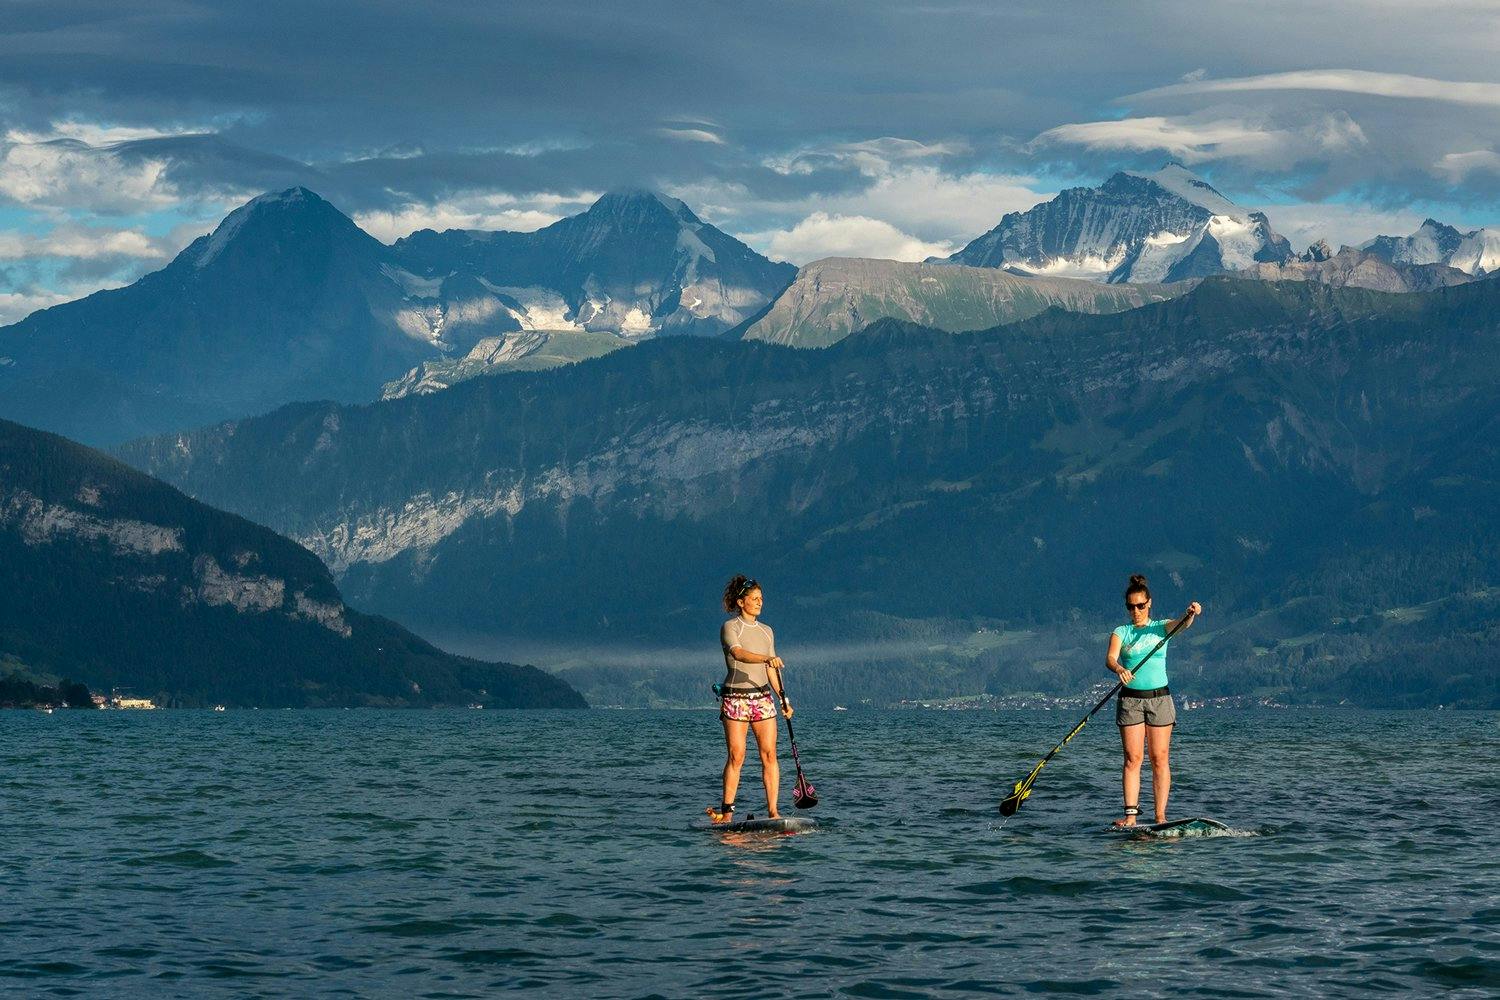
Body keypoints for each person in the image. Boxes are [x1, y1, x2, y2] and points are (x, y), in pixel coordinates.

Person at [1105, 574, 1201, 827]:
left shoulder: (1161, 627)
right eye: (1130, 606)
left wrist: (1190, 613)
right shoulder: (1121, 632)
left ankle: (1160, 816)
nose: (1135, 611)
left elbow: (1182, 624)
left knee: (1159, 757)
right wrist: (1118, 669)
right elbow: (1111, 658)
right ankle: (1130, 817)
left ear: (1149, 604)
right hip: (1131, 702)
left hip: (1159, 700)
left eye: (1140, 606)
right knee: (1132, 758)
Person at [706, 575, 793, 824]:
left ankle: (773, 812)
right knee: (737, 755)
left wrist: (783, 699)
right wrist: (766, 659)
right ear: (741, 602)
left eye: (761, 599)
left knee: (769, 755)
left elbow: (771, 670)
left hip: (763, 698)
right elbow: (739, 654)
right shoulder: (730, 627)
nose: (759, 602)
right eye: (754, 599)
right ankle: (727, 813)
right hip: (736, 698)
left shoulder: (767, 632)